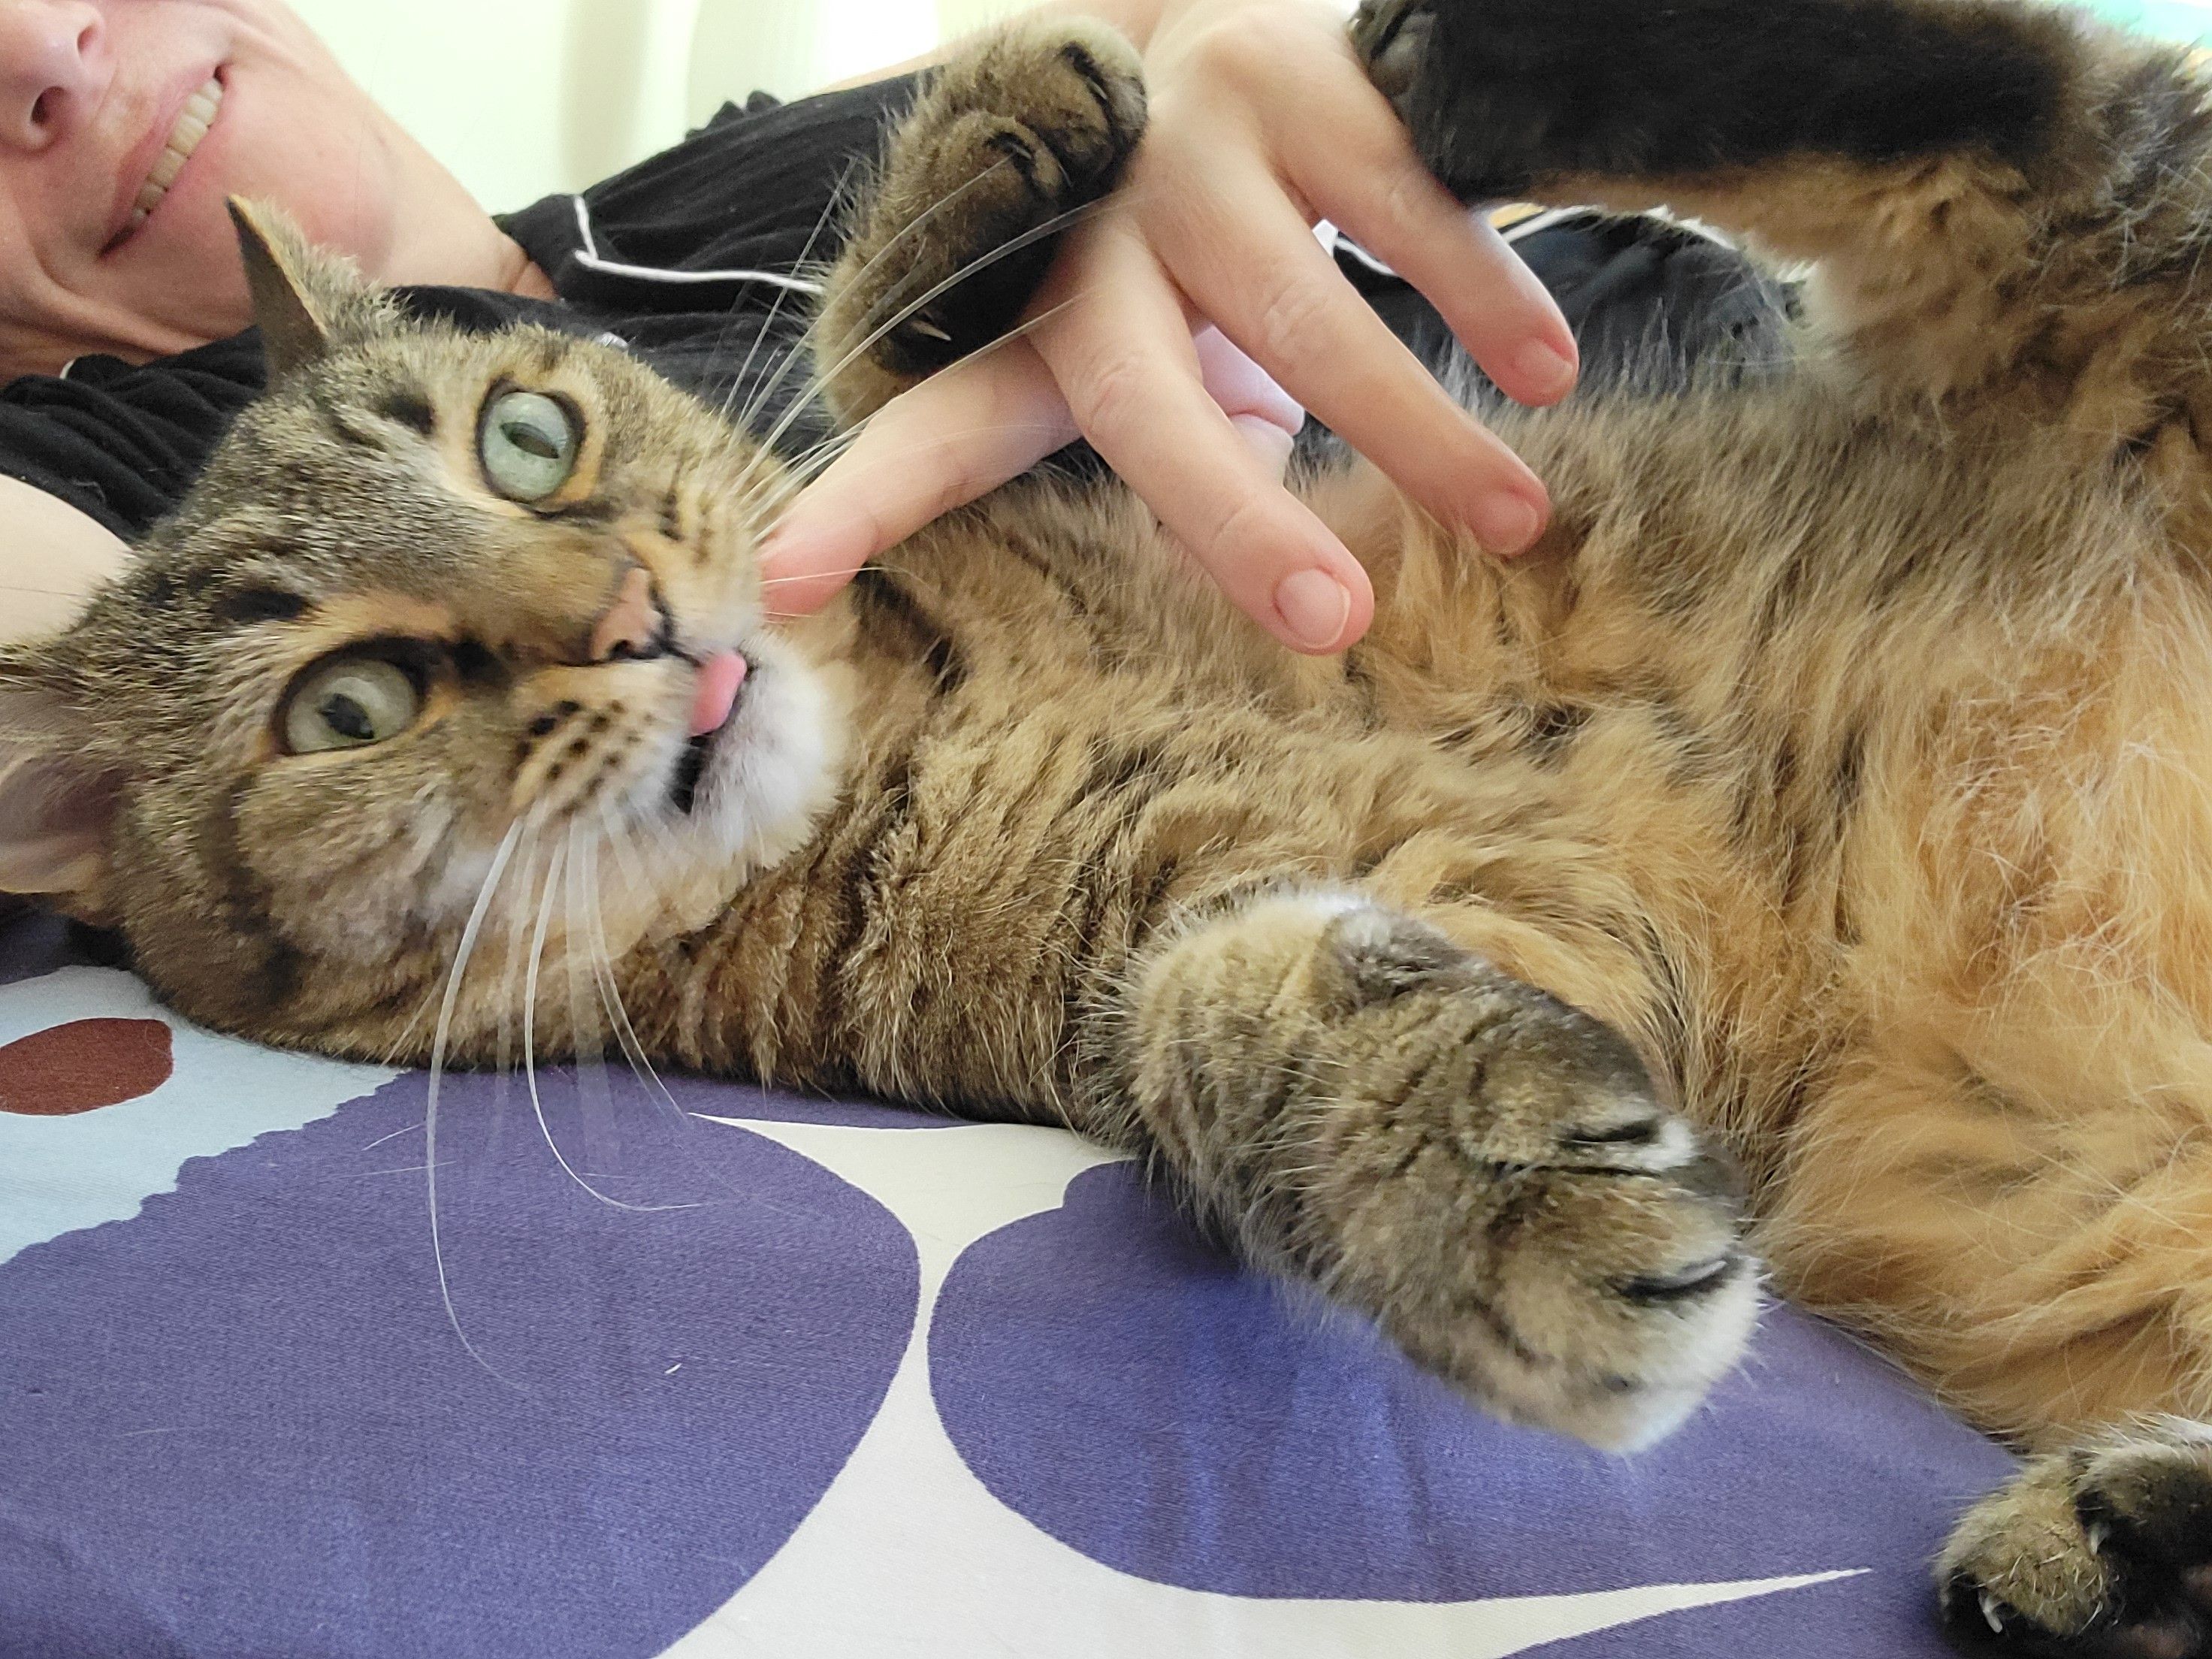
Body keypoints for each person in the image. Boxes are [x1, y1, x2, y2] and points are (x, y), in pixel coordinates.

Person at [0, 0, 1767, 651]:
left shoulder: (781, 132)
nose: (38, 49)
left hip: (1816, 402)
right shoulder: (126, 481)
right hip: (1639, 700)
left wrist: (1242, 72)